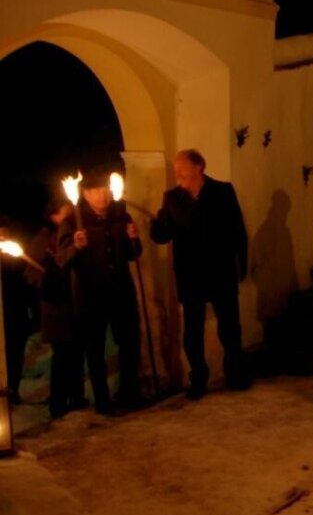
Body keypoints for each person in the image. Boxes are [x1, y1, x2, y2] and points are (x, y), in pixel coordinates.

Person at [150, 149, 251, 400]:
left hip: (221, 271)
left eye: (181, 168)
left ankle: (235, 373)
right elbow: (162, 236)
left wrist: (241, 265)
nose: (177, 174)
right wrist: (157, 225)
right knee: (192, 330)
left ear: (198, 168)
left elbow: (237, 229)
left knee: (229, 327)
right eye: (175, 170)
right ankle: (198, 379)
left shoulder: (223, 191)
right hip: (190, 274)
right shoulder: (172, 198)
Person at [58, 167, 143, 415]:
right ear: (85, 194)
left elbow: (133, 255)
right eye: (96, 191)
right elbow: (63, 260)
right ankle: (103, 401)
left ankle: (129, 392)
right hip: (90, 295)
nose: (103, 195)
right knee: (94, 349)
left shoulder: (120, 213)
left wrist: (134, 239)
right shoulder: (72, 222)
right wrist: (76, 246)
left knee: (130, 342)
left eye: (105, 189)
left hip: (121, 292)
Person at [26, 198, 87, 418]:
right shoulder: (43, 240)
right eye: (64, 211)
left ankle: (77, 397)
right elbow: (32, 274)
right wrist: (48, 278)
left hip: (74, 302)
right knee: (62, 355)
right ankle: (58, 402)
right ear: (53, 216)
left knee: (77, 352)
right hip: (56, 306)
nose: (69, 213)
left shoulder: (72, 233)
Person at [0, 216, 34, 405]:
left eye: (4, 232)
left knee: (15, 353)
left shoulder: (14, 255)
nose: (2, 236)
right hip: (2, 315)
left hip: (15, 314)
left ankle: (13, 389)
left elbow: (24, 282)